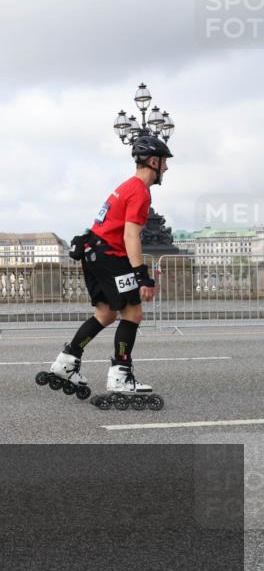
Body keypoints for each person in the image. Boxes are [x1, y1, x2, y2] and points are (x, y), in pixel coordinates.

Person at [47, 133, 172, 398]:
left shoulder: (125, 186)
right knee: (133, 314)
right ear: (153, 161)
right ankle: (121, 376)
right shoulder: (139, 192)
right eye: (164, 162)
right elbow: (130, 235)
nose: (167, 168)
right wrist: (143, 277)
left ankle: (66, 362)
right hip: (110, 257)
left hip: (93, 253)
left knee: (105, 314)